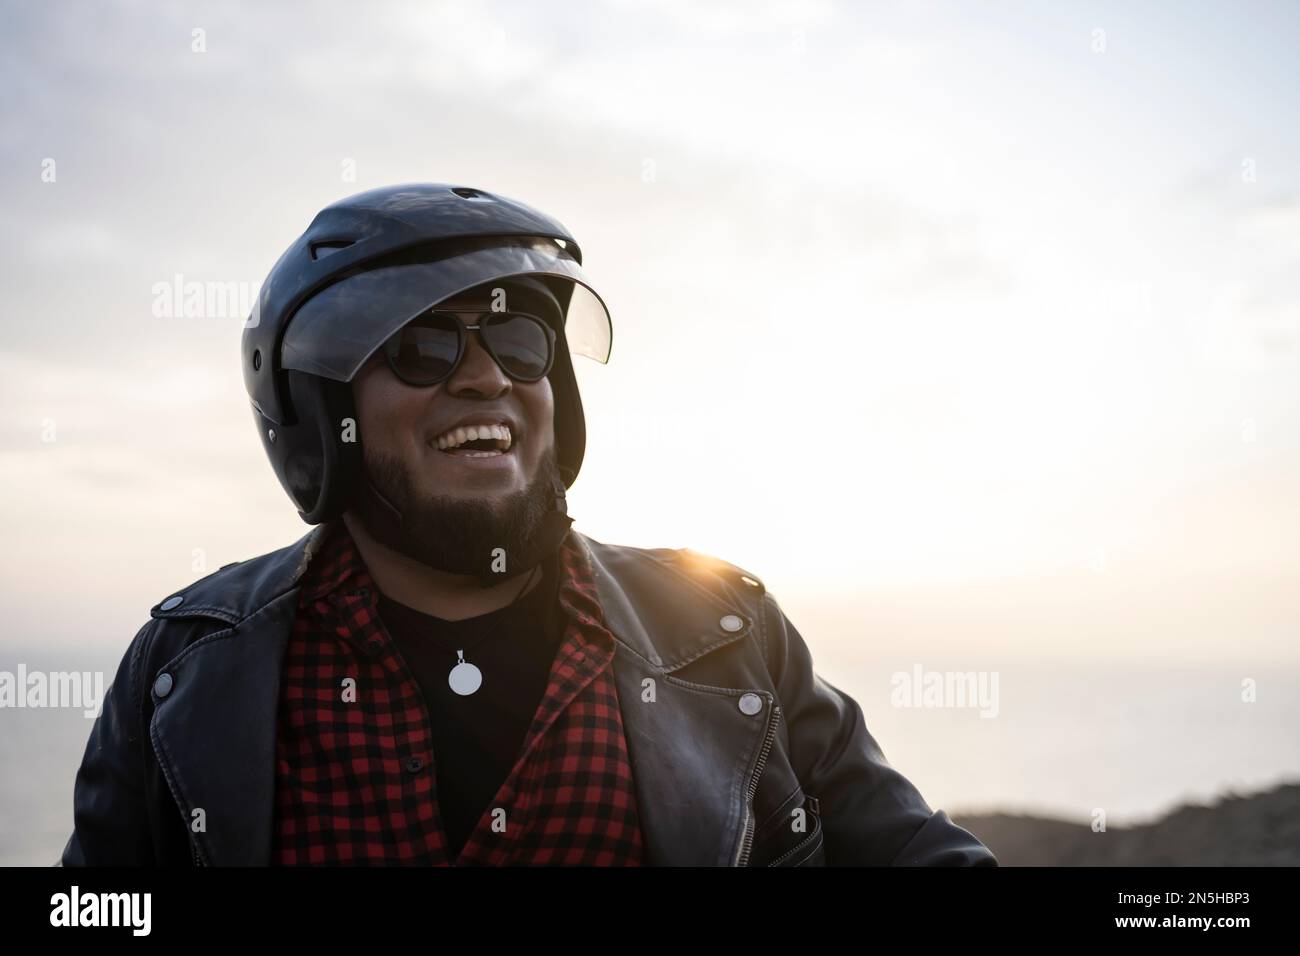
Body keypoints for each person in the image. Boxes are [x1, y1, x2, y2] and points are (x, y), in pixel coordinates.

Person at [60, 183, 996, 866]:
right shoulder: (189, 665)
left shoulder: (725, 632)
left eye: (517, 339)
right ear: (318, 410)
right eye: (422, 346)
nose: (486, 376)